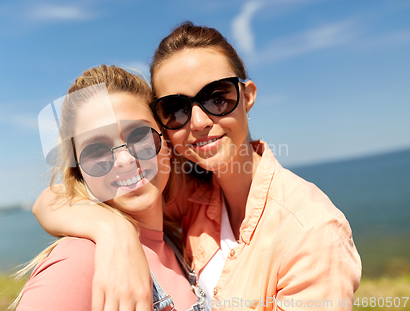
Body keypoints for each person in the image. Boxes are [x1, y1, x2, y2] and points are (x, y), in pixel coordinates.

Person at [33, 22, 362, 311]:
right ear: (164, 126)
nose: (201, 121)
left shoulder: (312, 231)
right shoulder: (183, 198)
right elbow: (53, 198)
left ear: (247, 96)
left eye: (217, 97)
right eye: (176, 108)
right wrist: (113, 232)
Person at [12, 65, 202, 311]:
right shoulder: (79, 261)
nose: (124, 160)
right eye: (96, 150)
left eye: (139, 135)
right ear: (79, 169)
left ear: (165, 139)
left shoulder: (178, 243)